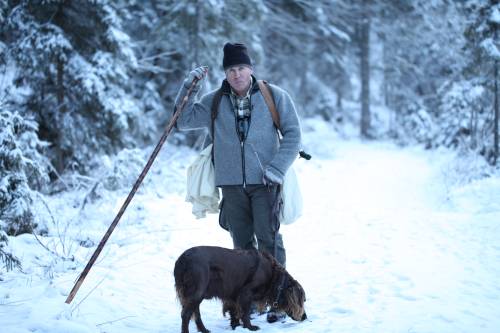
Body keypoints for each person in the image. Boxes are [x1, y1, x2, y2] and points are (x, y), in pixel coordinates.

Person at [173, 42, 302, 323]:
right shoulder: (215, 100)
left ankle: (278, 301)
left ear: (251, 69)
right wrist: (189, 88)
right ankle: (249, 302)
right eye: (231, 69)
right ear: (226, 73)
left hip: (266, 183)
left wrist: (277, 169)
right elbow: (181, 121)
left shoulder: (273, 96)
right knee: (241, 247)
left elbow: (293, 136)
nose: (237, 74)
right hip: (231, 185)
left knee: (269, 241)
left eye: (241, 68)